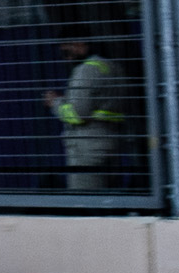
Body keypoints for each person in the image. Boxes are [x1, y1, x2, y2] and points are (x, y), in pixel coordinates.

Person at [47, 36, 130, 195]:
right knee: (111, 202)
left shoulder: (85, 69)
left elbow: (78, 114)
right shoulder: (114, 67)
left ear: (80, 44)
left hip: (87, 148)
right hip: (113, 143)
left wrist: (55, 103)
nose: (66, 58)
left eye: (67, 51)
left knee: (85, 202)